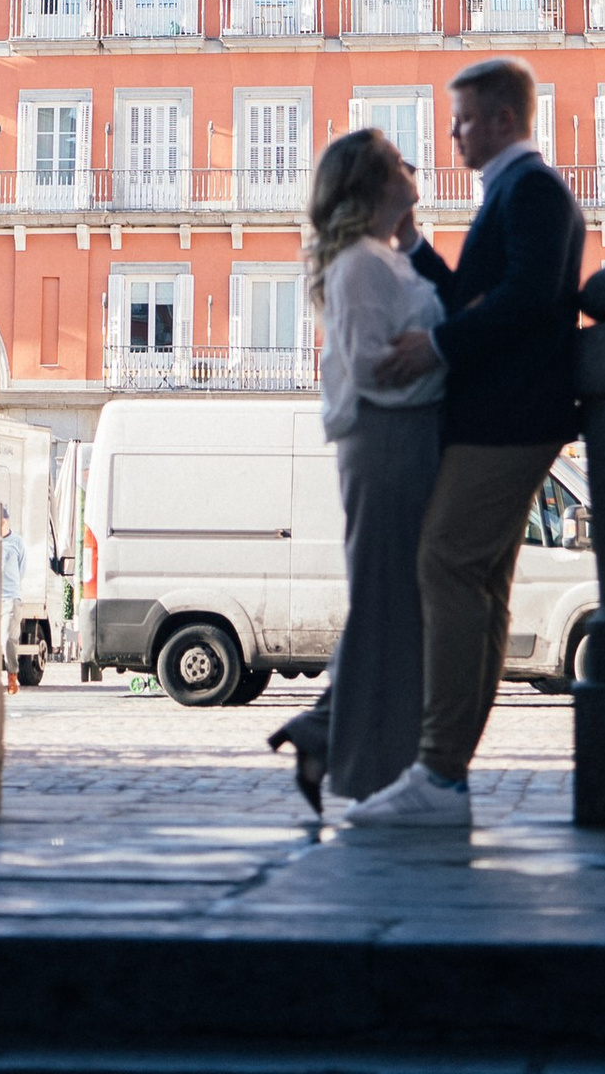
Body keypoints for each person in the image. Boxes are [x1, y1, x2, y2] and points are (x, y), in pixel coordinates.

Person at [342, 54, 584, 832]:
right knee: (480, 586)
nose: (452, 135)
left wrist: (439, 350)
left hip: (508, 416)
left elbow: (528, 295)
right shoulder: (512, 192)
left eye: (464, 119)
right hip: (508, 415)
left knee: (444, 563)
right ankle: (447, 772)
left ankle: (440, 773)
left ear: (503, 120)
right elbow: (478, 295)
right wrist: (414, 245)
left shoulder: (533, 189)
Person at [269, 126, 446, 815]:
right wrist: (444, 355)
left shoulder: (384, 256)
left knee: (392, 602)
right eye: (399, 160)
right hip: (390, 438)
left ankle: (328, 737)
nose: (414, 163)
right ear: (373, 182)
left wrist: (432, 345)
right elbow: (377, 364)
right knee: (388, 604)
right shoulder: (362, 266)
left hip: (402, 438)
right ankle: (368, 765)